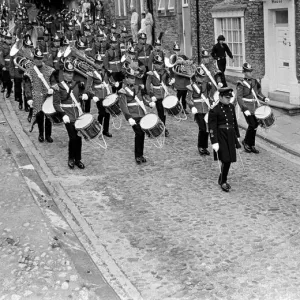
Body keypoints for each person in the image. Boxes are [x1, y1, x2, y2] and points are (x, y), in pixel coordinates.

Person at [53, 60, 89, 169]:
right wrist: (63, 114)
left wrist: (84, 97)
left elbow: (80, 96)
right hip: (68, 116)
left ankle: (78, 159)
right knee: (73, 137)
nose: (70, 75)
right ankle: (71, 158)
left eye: (71, 73)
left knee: (78, 138)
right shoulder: (58, 87)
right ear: (63, 73)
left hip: (78, 115)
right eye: (68, 73)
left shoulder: (77, 84)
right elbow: (56, 103)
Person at [208, 87, 241, 192]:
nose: (229, 100)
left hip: (230, 135)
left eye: (230, 98)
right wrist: (214, 142)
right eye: (227, 97)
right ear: (220, 97)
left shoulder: (231, 107)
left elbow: (234, 122)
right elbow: (212, 127)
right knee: (225, 159)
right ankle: (223, 181)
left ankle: (222, 178)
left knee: (229, 159)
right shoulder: (214, 110)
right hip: (220, 136)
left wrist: (237, 135)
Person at [23, 48, 57, 143]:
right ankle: (41, 134)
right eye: (37, 58)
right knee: (40, 116)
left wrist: (52, 89)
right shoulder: (29, 71)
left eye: (40, 58)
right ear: (34, 59)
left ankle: (48, 135)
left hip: (48, 96)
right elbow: (27, 86)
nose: (39, 60)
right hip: (37, 97)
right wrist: (29, 98)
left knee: (49, 117)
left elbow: (54, 82)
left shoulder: (49, 70)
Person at [236, 62, 270, 154]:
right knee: (252, 124)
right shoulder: (241, 83)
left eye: (251, 71)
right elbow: (239, 97)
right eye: (248, 71)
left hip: (255, 108)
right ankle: (247, 143)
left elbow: (258, 93)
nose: (250, 73)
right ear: (244, 72)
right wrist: (244, 109)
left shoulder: (255, 82)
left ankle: (250, 144)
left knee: (255, 125)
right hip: (247, 107)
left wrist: (264, 98)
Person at [118, 67, 149, 164]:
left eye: (134, 78)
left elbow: (141, 100)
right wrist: (128, 117)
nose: (133, 79)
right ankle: (137, 156)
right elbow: (123, 106)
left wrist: (149, 103)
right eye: (131, 78)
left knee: (142, 134)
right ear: (126, 78)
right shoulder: (123, 91)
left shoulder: (137, 87)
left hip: (141, 114)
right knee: (139, 133)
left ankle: (141, 155)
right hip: (133, 116)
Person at [146, 53, 175, 137]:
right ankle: (162, 128)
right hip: (157, 96)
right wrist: (151, 95)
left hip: (164, 94)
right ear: (154, 64)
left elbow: (166, 83)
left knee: (164, 113)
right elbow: (148, 86)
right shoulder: (151, 74)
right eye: (157, 64)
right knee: (160, 112)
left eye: (160, 63)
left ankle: (163, 127)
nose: (159, 65)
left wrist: (170, 82)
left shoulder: (165, 72)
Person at [187, 66, 212, 156]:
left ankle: (204, 147)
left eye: (203, 77)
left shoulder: (207, 84)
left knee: (207, 129)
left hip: (206, 108)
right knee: (202, 128)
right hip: (197, 110)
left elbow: (209, 96)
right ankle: (200, 146)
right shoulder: (192, 86)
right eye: (200, 77)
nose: (202, 78)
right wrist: (192, 106)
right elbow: (188, 99)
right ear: (196, 76)